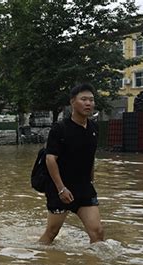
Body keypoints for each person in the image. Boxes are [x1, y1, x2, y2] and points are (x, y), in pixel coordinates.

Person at [39, 83, 104, 245]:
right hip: (60, 188)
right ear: (72, 102)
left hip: (84, 188)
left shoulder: (94, 128)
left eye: (91, 100)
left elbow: (90, 155)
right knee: (52, 232)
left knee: (97, 232)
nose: (88, 103)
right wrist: (61, 188)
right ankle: (39, 257)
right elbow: (50, 159)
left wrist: (91, 180)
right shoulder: (60, 129)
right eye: (84, 99)